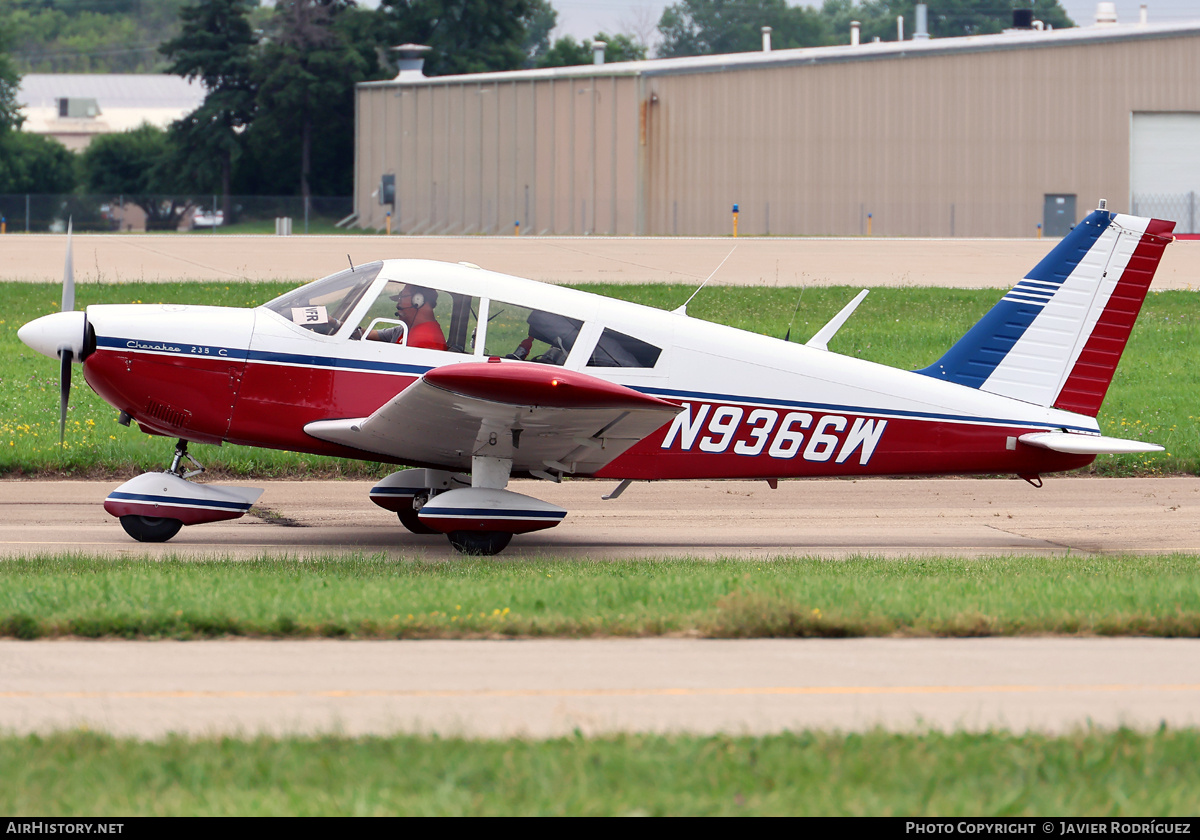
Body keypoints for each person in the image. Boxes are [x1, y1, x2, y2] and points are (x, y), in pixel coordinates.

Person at [367, 284, 447, 351]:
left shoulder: (424, 339)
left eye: (401, 298)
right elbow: (372, 334)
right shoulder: (406, 329)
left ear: (418, 300)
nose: (397, 305)